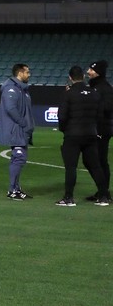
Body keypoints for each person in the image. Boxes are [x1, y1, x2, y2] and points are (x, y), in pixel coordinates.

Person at [56, 65, 106, 207]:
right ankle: (103, 196)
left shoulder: (69, 94)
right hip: (90, 134)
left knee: (71, 167)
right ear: (83, 77)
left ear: (70, 78)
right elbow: (100, 115)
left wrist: (64, 130)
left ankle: (68, 198)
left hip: (73, 135)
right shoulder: (94, 93)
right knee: (96, 166)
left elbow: (62, 116)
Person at [0, 63, 35, 200]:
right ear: (20, 73)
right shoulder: (11, 89)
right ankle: (12, 190)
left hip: (21, 130)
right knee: (19, 158)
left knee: (18, 159)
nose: (29, 75)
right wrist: (22, 123)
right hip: (16, 130)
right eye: (27, 72)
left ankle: (16, 189)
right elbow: (10, 108)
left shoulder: (22, 89)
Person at [84, 59, 113, 204]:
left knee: (100, 161)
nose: (88, 72)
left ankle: (104, 193)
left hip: (102, 129)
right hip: (94, 128)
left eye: (91, 69)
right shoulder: (94, 86)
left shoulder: (105, 88)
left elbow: (108, 107)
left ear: (98, 72)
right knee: (93, 161)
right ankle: (102, 191)